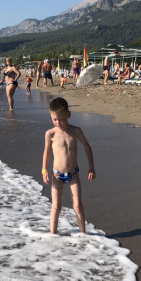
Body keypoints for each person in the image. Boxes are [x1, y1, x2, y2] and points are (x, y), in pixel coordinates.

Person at [41, 97, 95, 234]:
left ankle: (83, 234)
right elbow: (46, 152)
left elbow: (87, 147)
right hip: (57, 175)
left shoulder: (76, 131)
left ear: (68, 115)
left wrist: (91, 168)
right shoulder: (50, 134)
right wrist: (44, 170)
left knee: (78, 206)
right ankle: (52, 235)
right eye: (54, 119)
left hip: (73, 174)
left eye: (61, 119)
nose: (58, 122)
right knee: (56, 207)